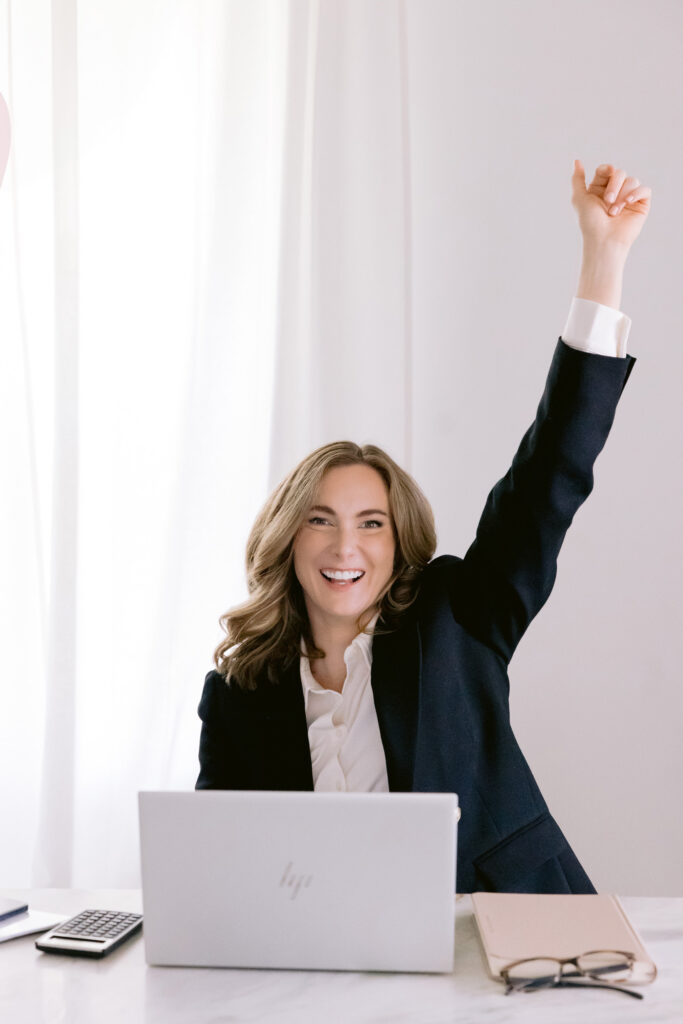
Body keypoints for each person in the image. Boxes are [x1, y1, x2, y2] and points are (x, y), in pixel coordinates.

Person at [196, 161, 651, 893]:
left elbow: (547, 480)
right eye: (320, 521)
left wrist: (604, 256)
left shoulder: (455, 617)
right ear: (287, 540)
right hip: (328, 963)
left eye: (370, 523)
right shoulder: (240, 692)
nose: (345, 546)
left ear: (398, 541)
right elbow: (215, 864)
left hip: (499, 933)